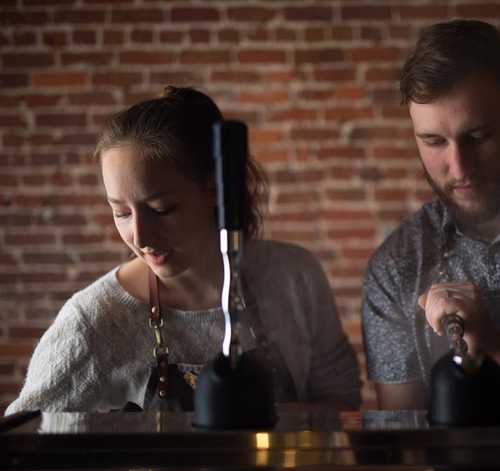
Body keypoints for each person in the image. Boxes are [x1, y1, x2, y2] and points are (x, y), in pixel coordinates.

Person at [6, 86, 361, 414]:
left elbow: (341, 399)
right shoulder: (94, 322)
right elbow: (21, 451)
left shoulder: (294, 275)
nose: (140, 235)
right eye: (121, 212)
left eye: (162, 209)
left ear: (213, 189)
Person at [362, 19, 500, 410]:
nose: (459, 167)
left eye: (478, 137)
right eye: (434, 141)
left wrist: (490, 342)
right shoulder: (395, 268)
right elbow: (409, 443)